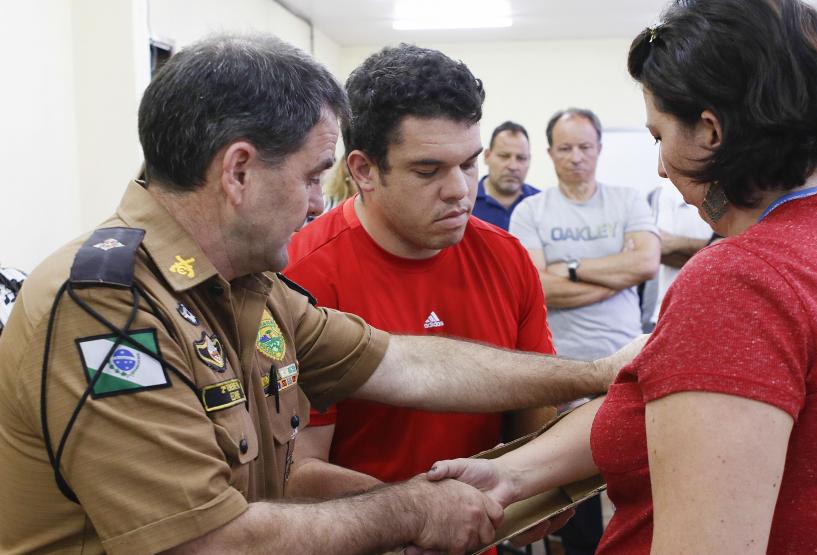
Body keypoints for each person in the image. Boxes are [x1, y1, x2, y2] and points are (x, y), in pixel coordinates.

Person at [0, 34, 632, 555]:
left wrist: (600, 371)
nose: (315, 203)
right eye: (309, 177)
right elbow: (209, 542)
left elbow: (403, 363)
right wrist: (411, 509)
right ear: (239, 171)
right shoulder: (106, 308)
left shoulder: (247, 286)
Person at [429, 1, 817, 554]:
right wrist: (512, 474)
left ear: (710, 132)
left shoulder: (741, 279)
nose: (660, 166)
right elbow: (670, 409)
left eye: (660, 136)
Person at [282, 45, 556, 509]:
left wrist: (540, 486)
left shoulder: (505, 257)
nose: (460, 191)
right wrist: (424, 513)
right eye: (429, 171)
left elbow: (536, 408)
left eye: (469, 164)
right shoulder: (302, 276)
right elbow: (296, 472)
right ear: (365, 171)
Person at [509, 108, 660, 554]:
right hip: (560, 372)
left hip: (627, 364)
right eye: (566, 148)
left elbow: (646, 263)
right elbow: (536, 287)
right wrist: (614, 275)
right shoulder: (531, 210)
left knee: (632, 482)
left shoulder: (628, 200)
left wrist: (570, 269)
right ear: (551, 152)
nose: (576, 157)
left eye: (585, 147)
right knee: (574, 494)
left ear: (599, 149)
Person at [640, 182, 712, 331]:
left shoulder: (737, 187)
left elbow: (745, 251)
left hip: (716, 317)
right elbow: (659, 252)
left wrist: (677, 243)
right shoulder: (666, 192)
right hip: (668, 317)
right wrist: (718, 249)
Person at [473, 121, 540, 230]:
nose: (513, 166)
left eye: (521, 158)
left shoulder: (541, 205)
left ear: (529, 160)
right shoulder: (465, 202)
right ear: (487, 156)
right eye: (504, 156)